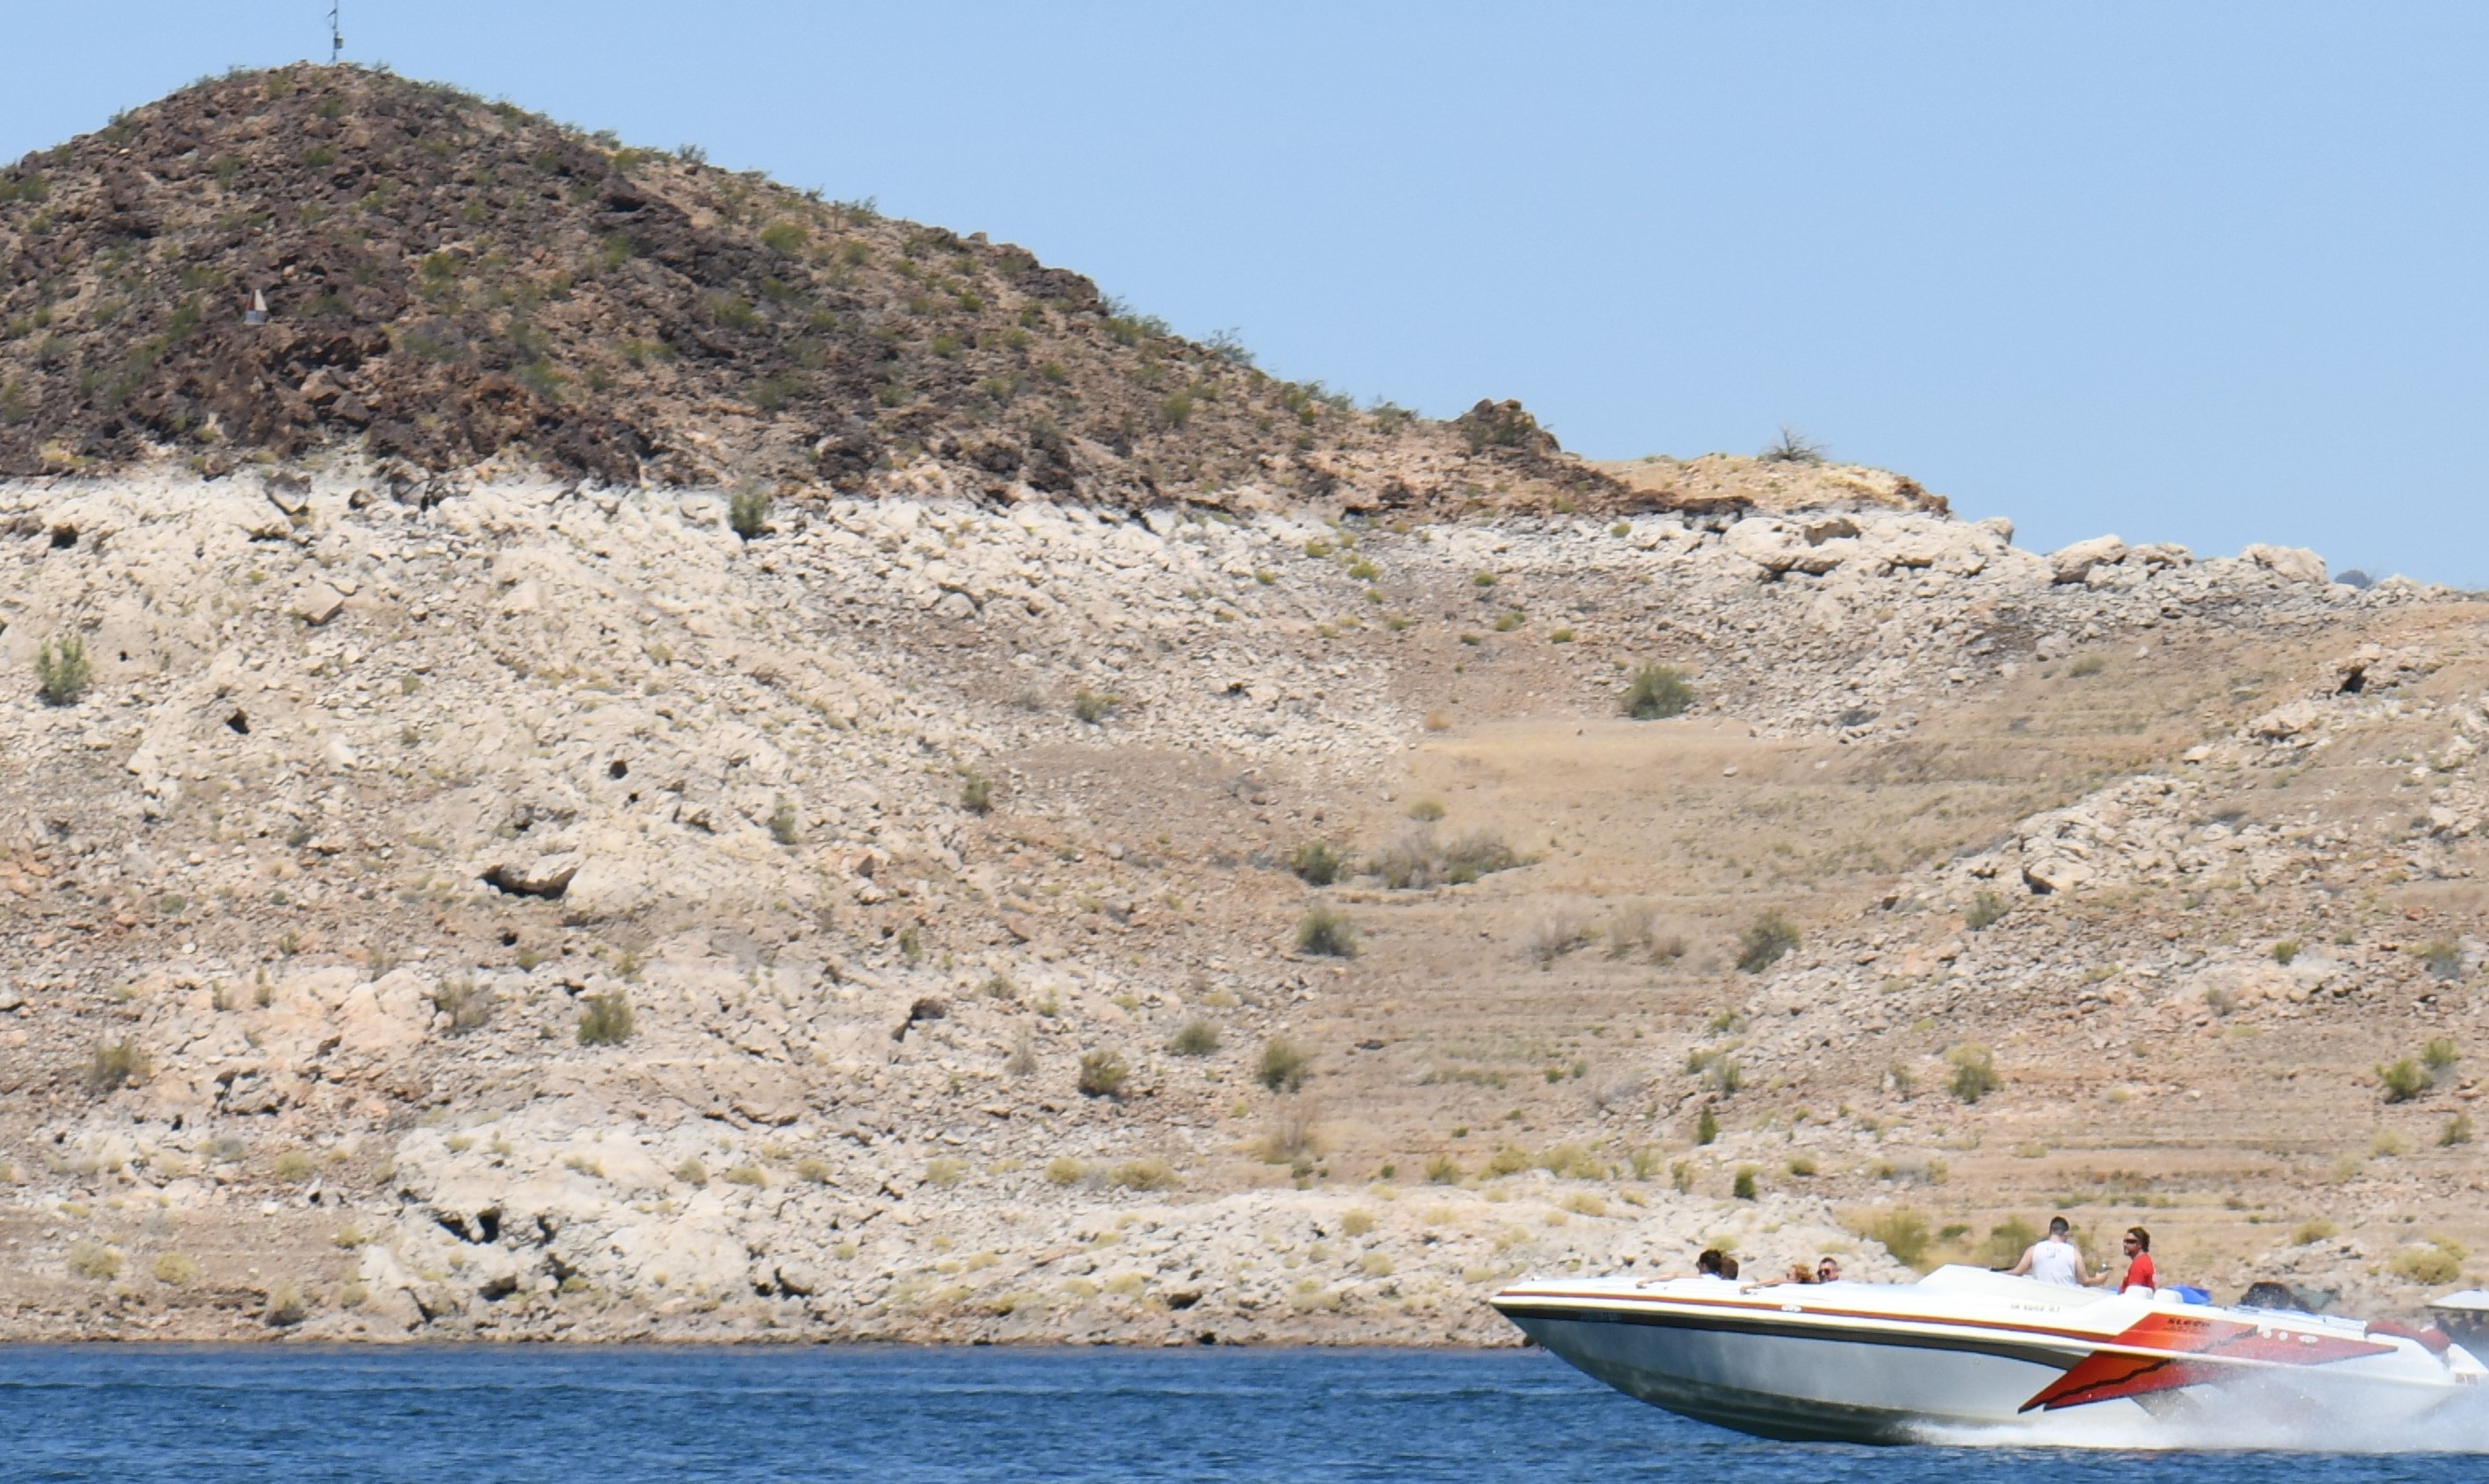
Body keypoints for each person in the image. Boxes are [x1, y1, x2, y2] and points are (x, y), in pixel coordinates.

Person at [2006, 1216, 2090, 1286]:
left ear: (2050, 1232)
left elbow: (2016, 1272)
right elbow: (2085, 1281)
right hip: (2065, 1300)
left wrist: (1998, 1274)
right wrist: (2101, 1278)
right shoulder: (2074, 1253)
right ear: (2066, 1234)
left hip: (2041, 1299)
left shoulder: (2034, 1250)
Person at [2115, 1227, 2157, 1295]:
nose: (2125, 1244)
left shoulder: (2139, 1265)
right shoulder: (2145, 1260)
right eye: (2124, 1241)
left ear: (2140, 1244)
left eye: (2130, 1241)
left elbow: (2134, 1295)